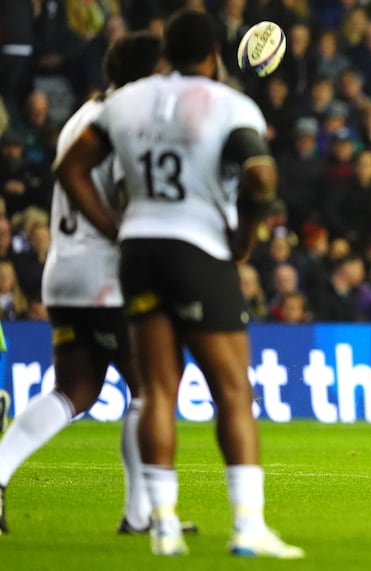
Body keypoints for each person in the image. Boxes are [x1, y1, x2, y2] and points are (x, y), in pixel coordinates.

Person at [54, 10, 303, 558]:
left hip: (138, 253)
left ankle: (163, 525)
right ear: (214, 54)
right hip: (198, 250)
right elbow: (260, 176)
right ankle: (248, 525)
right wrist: (246, 231)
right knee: (232, 390)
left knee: (156, 391)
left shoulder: (124, 102)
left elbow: (70, 169)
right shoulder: (230, 104)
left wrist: (113, 228)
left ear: (165, 54)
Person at [0, 31, 198, 537]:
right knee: (149, 388)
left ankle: (2, 470)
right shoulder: (124, 123)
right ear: (147, 75)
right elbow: (116, 191)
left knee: (76, 388)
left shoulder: (83, 117)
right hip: (105, 273)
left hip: (63, 272)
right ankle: (142, 514)